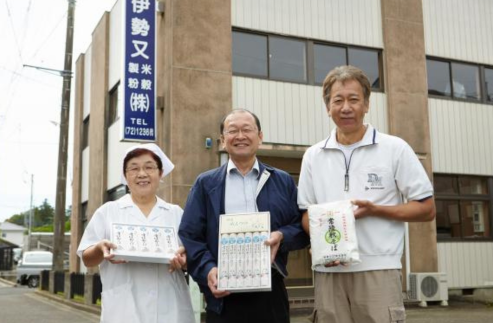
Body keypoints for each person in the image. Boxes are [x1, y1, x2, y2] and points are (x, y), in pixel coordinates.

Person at [298, 65, 436, 323]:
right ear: (328, 107)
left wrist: (376, 210)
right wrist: (322, 242)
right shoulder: (313, 156)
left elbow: (426, 209)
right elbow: (306, 212)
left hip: (379, 269)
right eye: (337, 100)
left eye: (353, 99)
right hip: (329, 271)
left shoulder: (394, 148)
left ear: (367, 104)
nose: (346, 107)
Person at [179, 109, 309, 323]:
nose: (240, 136)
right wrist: (208, 269)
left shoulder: (282, 181)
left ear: (260, 136)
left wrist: (282, 235)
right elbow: (190, 235)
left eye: (247, 130)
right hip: (223, 293)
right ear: (222, 140)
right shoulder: (206, 184)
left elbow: (301, 227)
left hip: (271, 291)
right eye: (232, 131)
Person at [77, 143, 195, 323]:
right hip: (123, 311)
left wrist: (184, 261)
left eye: (149, 167)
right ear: (125, 176)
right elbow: (87, 258)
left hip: (170, 309)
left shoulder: (176, 213)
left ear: (160, 173)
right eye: (134, 168)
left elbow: (192, 257)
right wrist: (100, 249)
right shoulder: (108, 211)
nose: (142, 174)